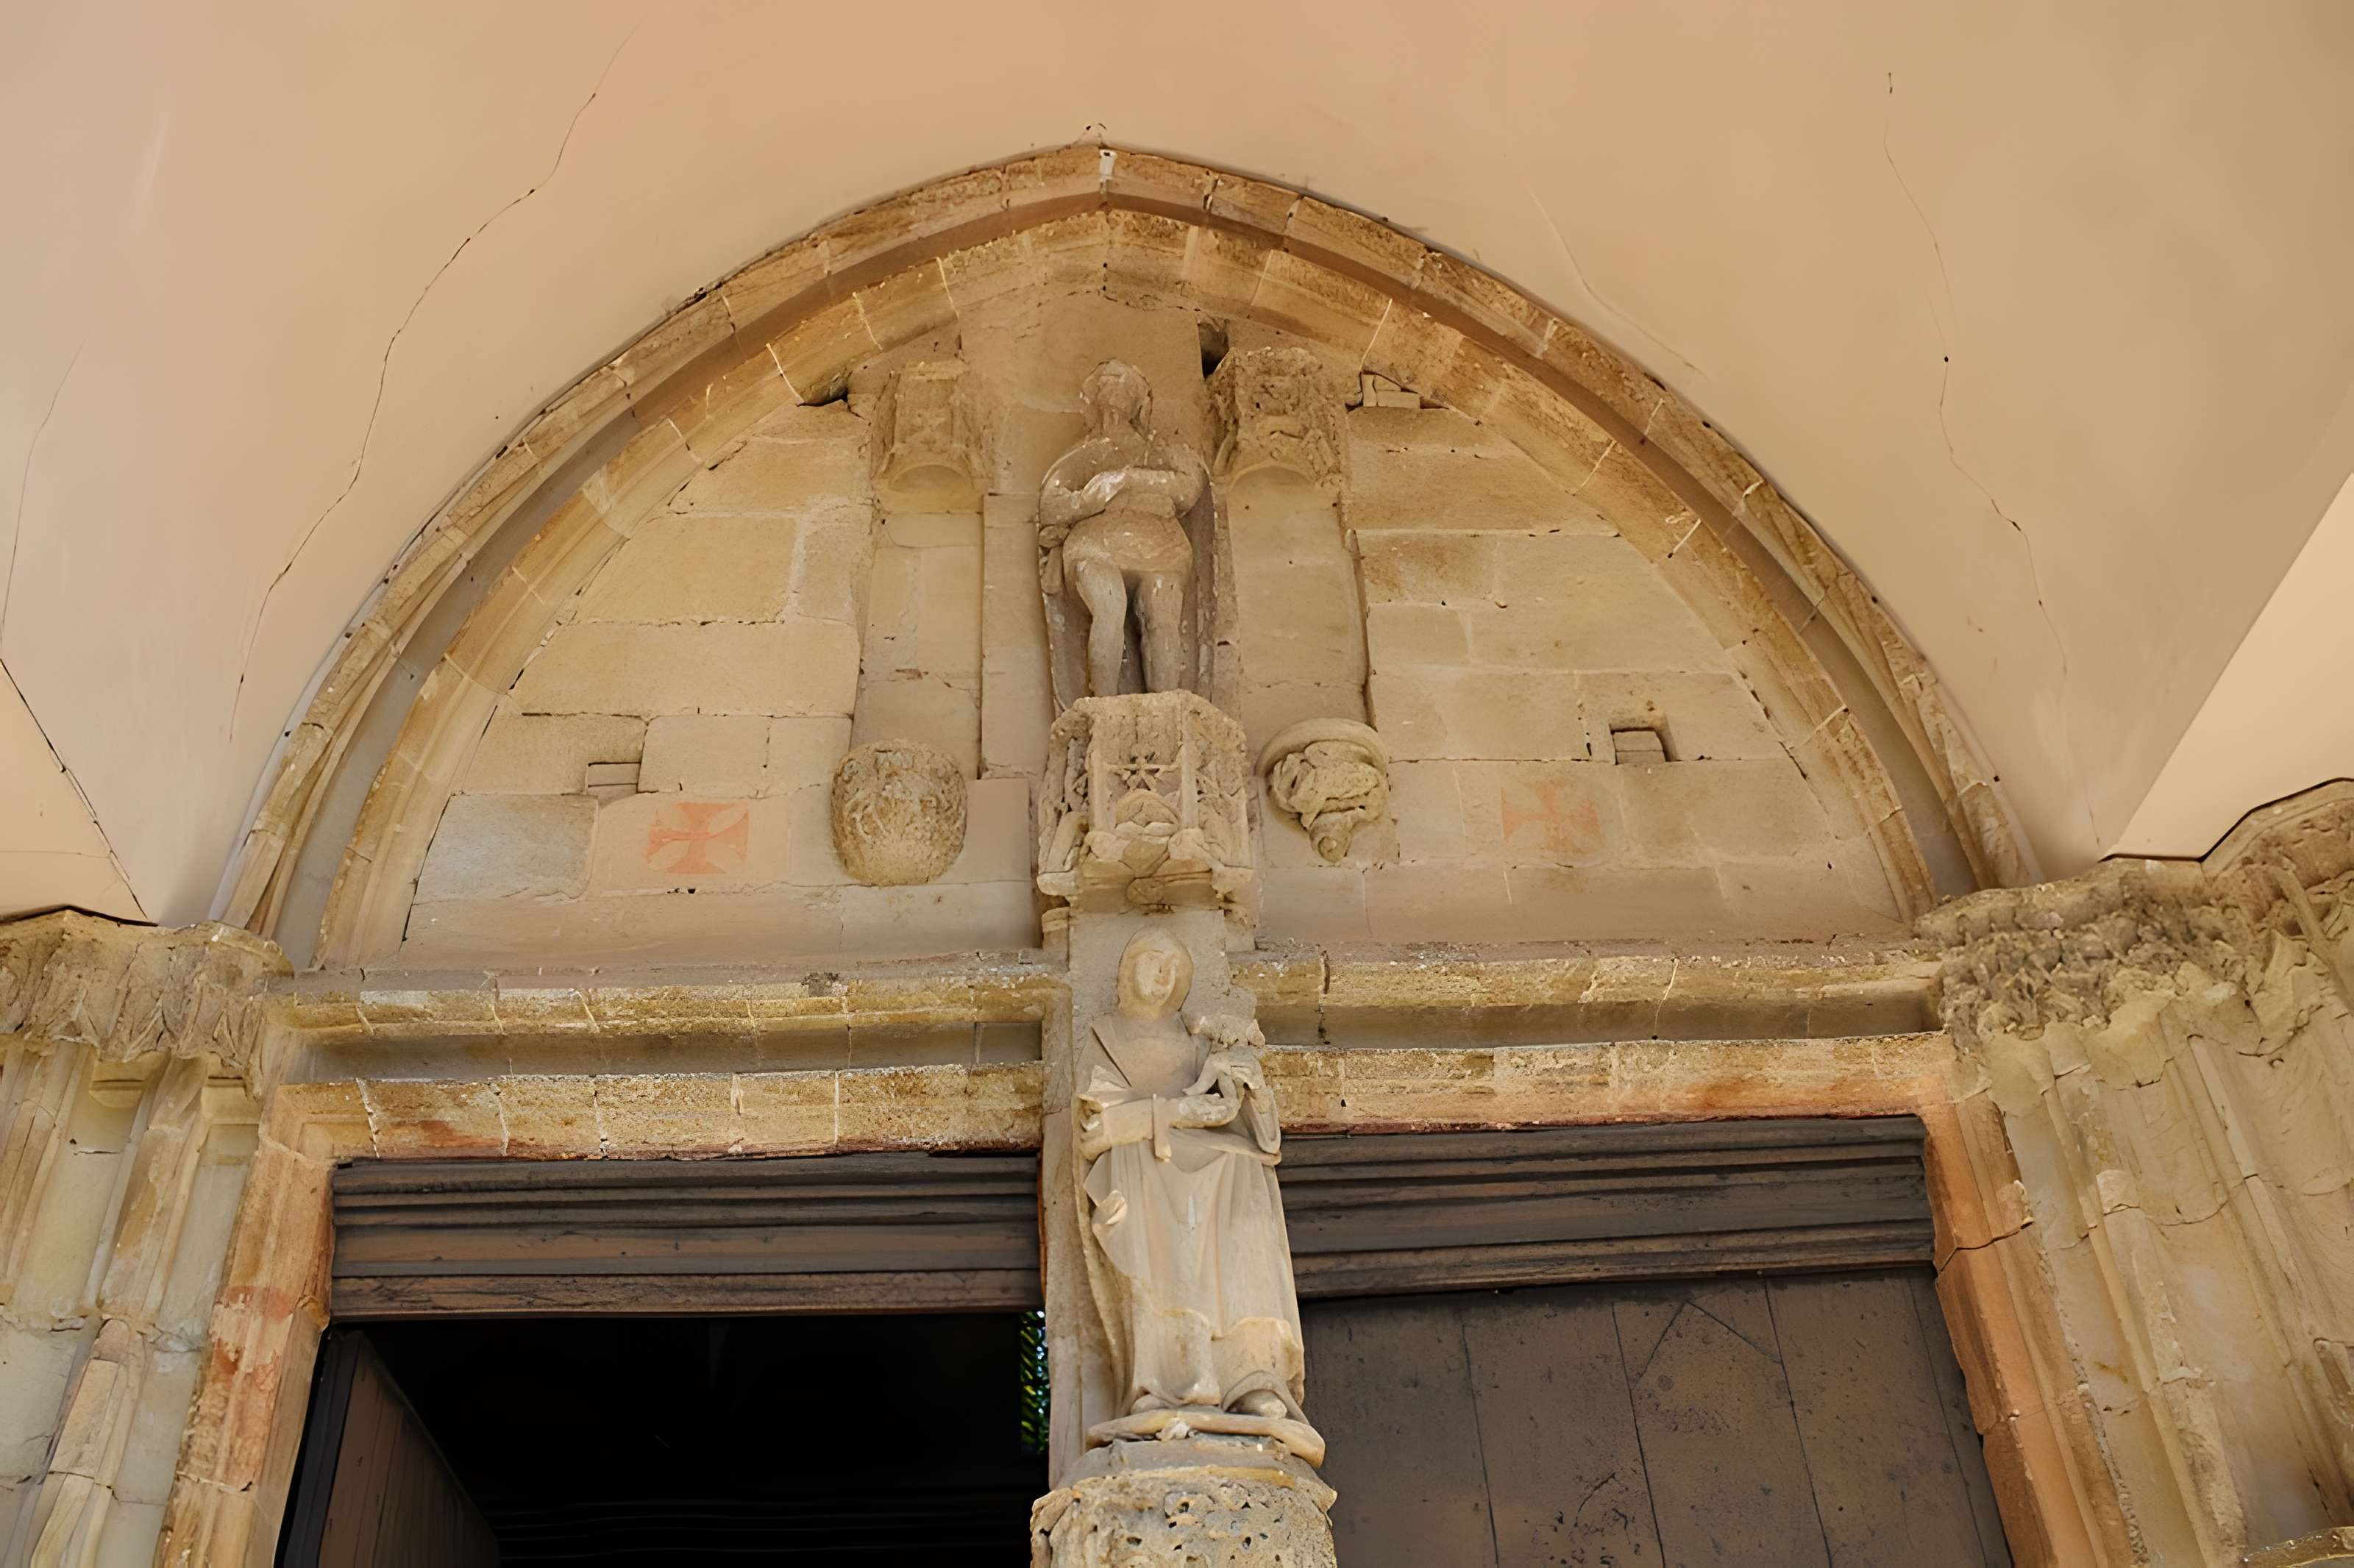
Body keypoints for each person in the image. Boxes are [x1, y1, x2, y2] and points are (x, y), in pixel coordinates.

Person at [1075, 927, 1306, 1427]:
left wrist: (1257, 1091)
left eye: (1173, 968)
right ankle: (1164, 1382)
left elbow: (1260, 1139)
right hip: (1142, 1164)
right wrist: (1182, 1110)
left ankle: (1251, 1379)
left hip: (1213, 1160)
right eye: (1152, 961)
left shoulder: (1201, 1044)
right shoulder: (1103, 1038)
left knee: (1245, 1173)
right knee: (1137, 1177)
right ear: (1126, 969)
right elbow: (1096, 1130)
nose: (1161, 975)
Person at [1037, 362, 1205, 697]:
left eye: (1123, 387)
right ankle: (1103, 706)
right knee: (1109, 603)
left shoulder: (1162, 450)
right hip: (1096, 545)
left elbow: (1189, 488)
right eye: (1106, 387)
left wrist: (1128, 478)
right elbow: (1051, 504)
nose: (1113, 395)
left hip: (1160, 546)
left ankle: (1166, 707)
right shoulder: (1087, 453)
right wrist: (1090, 499)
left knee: (1162, 612)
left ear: (1139, 403)